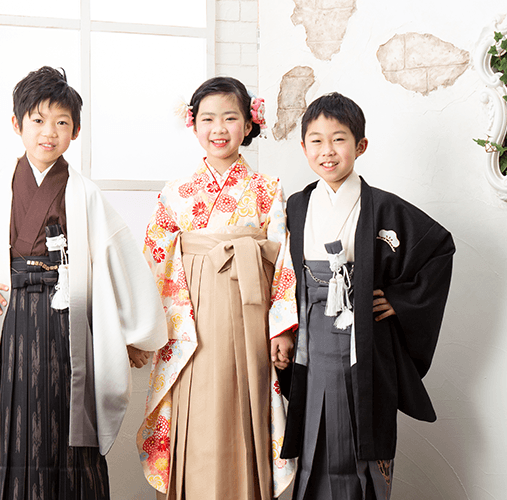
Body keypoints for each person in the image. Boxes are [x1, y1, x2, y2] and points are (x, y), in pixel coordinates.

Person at [0, 66, 167, 500]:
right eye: (38, 120)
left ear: (75, 131)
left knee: (68, 422)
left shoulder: (85, 193)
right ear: (16, 124)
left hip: (67, 323)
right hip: (10, 319)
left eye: (62, 123)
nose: (49, 133)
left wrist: (131, 334)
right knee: (9, 420)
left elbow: (116, 259)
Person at [281, 92, 455, 500]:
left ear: (360, 146)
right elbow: (280, 275)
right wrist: (283, 330)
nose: (327, 151)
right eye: (316, 140)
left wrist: (400, 300)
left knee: (359, 435)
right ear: (303, 147)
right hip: (311, 336)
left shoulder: (383, 207)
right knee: (312, 438)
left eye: (339, 139)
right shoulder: (297, 205)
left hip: (361, 339)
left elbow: (438, 248)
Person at [136, 76, 298, 500]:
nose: (219, 129)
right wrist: (143, 332)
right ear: (193, 124)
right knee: (194, 413)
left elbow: (284, 261)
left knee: (242, 408)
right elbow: (153, 262)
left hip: (249, 318)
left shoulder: (268, 189)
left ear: (249, 123)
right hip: (188, 325)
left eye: (230, 117)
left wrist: (282, 328)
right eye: (208, 118)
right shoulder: (176, 194)